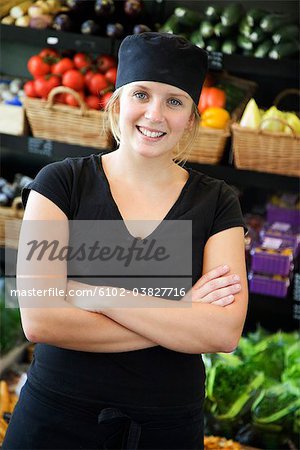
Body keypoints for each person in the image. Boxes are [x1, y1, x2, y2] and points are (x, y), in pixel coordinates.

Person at [3, 32, 248, 450]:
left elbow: (222, 332)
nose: (155, 114)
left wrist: (95, 294)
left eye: (174, 101)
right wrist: (181, 310)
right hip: (56, 420)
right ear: (116, 102)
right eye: (141, 94)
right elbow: (40, 319)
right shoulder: (61, 183)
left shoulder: (217, 201)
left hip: (166, 427)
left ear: (191, 117)